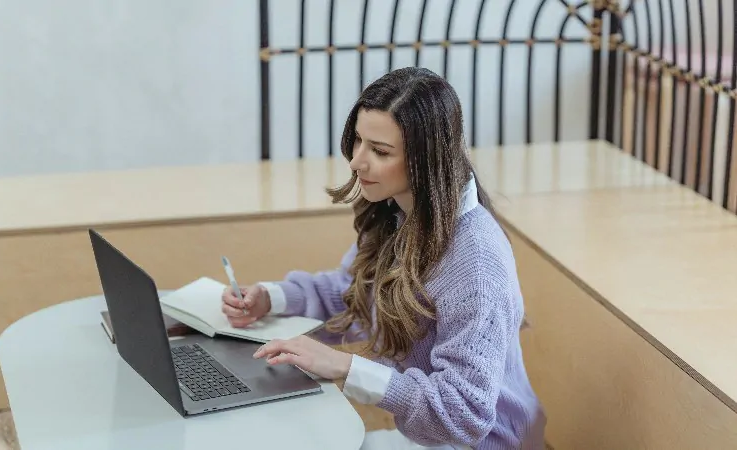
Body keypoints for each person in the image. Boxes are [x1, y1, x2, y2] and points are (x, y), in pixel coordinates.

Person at [221, 67, 546, 449]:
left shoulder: (475, 265)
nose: (357, 162)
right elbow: (355, 294)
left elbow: (463, 415)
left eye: (379, 151)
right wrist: (271, 298)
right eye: (358, 141)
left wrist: (345, 367)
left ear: (426, 160)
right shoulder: (399, 213)